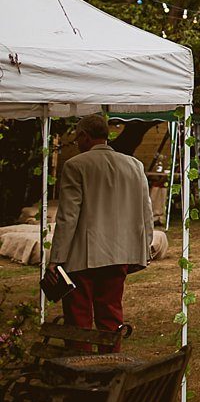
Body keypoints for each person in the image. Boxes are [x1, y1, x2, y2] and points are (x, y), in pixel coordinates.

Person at [50, 114, 154, 352]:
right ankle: (110, 368)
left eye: (77, 138)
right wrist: (145, 248)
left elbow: (68, 217)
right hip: (120, 254)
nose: (77, 143)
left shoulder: (76, 165)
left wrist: (56, 259)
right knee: (111, 316)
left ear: (85, 136)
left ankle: (81, 370)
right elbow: (146, 210)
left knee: (79, 320)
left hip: (82, 256)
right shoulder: (134, 165)